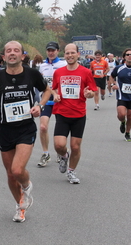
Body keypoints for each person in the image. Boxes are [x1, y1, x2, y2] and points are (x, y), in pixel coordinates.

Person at [0, 41, 51, 223]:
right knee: (11, 175)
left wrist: (39, 106)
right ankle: (20, 206)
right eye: (8, 51)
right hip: (5, 130)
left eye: (16, 50)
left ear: (22, 56)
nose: (12, 53)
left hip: (26, 128)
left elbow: (47, 91)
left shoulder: (32, 74)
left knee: (18, 170)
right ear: (4, 57)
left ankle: (26, 185)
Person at [51, 43, 97, 184]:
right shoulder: (58, 72)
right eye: (67, 53)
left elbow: (92, 91)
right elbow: (53, 89)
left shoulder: (86, 72)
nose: (70, 55)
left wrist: (89, 94)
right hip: (62, 113)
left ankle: (71, 171)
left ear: (78, 54)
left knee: (76, 146)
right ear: (64, 55)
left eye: (72, 53)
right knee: (59, 145)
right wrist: (55, 95)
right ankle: (64, 156)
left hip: (78, 114)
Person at [37, 42, 67, 167]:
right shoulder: (42, 66)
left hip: (60, 100)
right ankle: (46, 153)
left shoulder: (64, 64)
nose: (51, 52)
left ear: (58, 51)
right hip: (46, 100)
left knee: (61, 129)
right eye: (49, 50)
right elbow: (40, 84)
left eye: (53, 50)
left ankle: (61, 152)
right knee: (43, 127)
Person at [109, 48, 131, 142]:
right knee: (121, 114)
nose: (129, 56)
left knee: (130, 116)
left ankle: (127, 132)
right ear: (124, 57)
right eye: (127, 54)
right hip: (121, 96)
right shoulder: (119, 68)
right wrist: (112, 84)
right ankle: (123, 122)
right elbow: (111, 76)